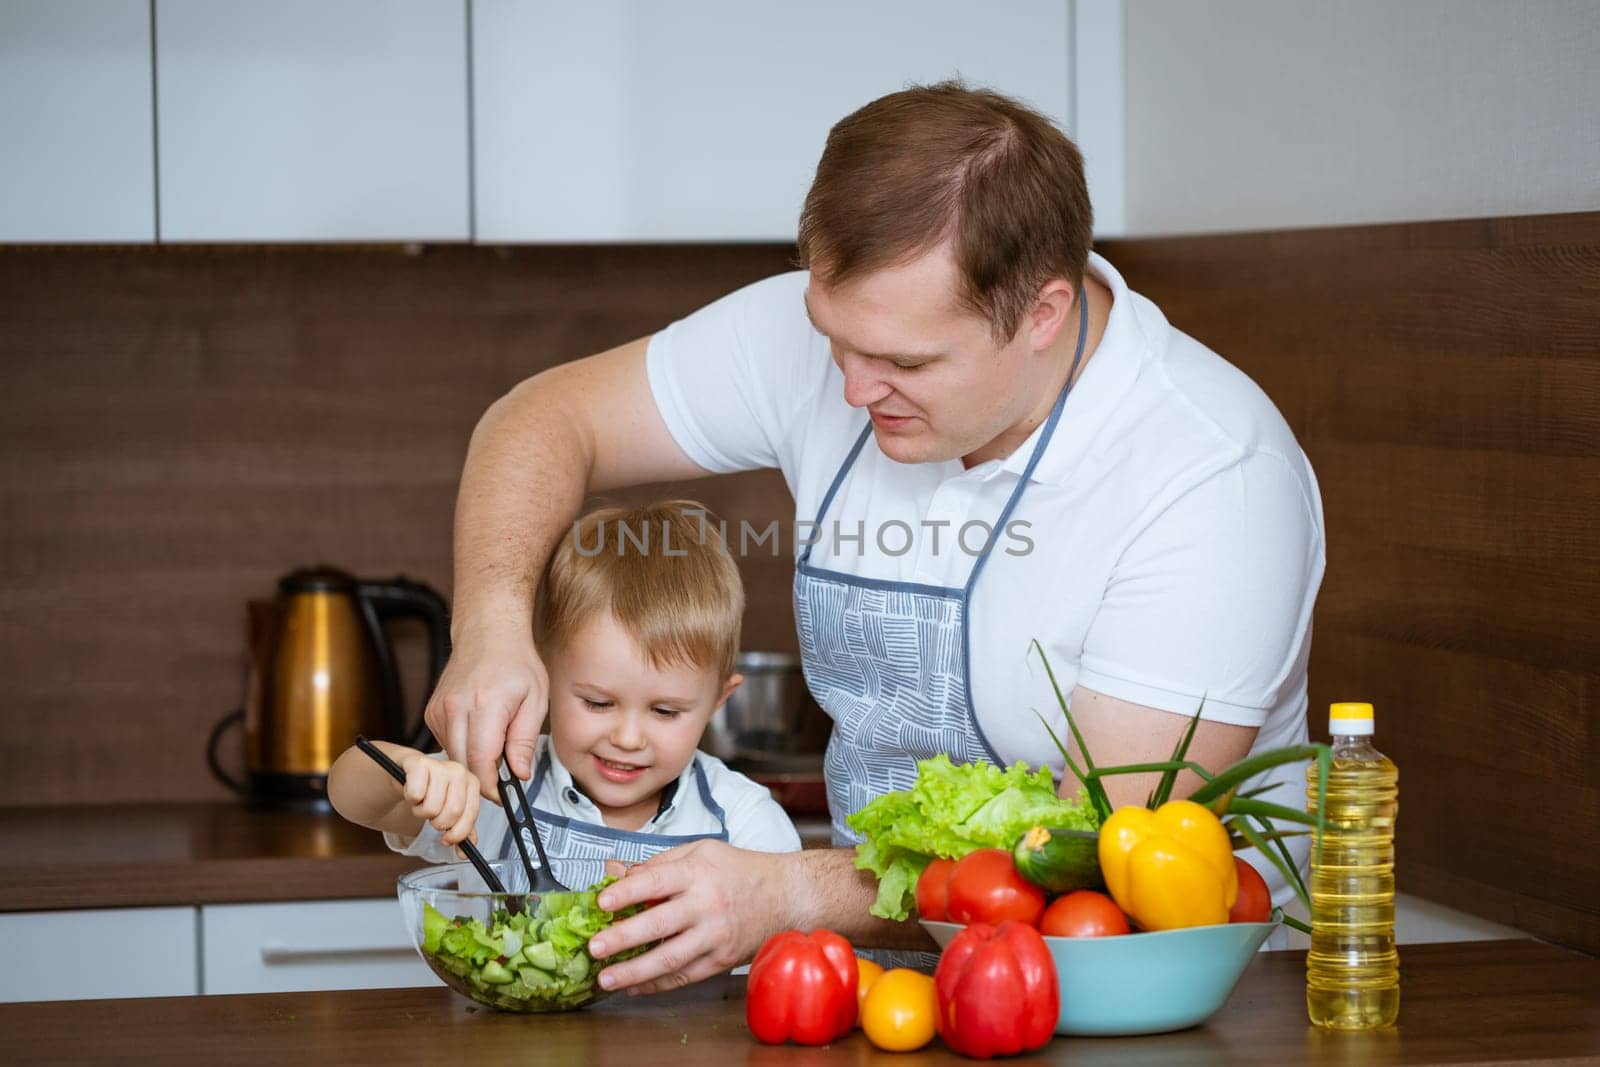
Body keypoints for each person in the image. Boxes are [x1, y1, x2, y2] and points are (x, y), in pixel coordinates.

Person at [426, 81, 1325, 994]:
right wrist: (493, 625)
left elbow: (1097, 847)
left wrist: (786, 892)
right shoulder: (862, 323)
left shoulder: (1214, 476)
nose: (852, 392)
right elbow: (540, 418)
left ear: (1042, 314)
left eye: (904, 364)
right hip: (882, 995)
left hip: (1154, 1010)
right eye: (832, 341)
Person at [328, 500, 802, 884]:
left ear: (719, 700)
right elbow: (349, 792)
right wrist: (406, 773)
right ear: (542, 674)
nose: (629, 738)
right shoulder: (499, 787)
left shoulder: (746, 824)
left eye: (665, 711)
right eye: (597, 702)